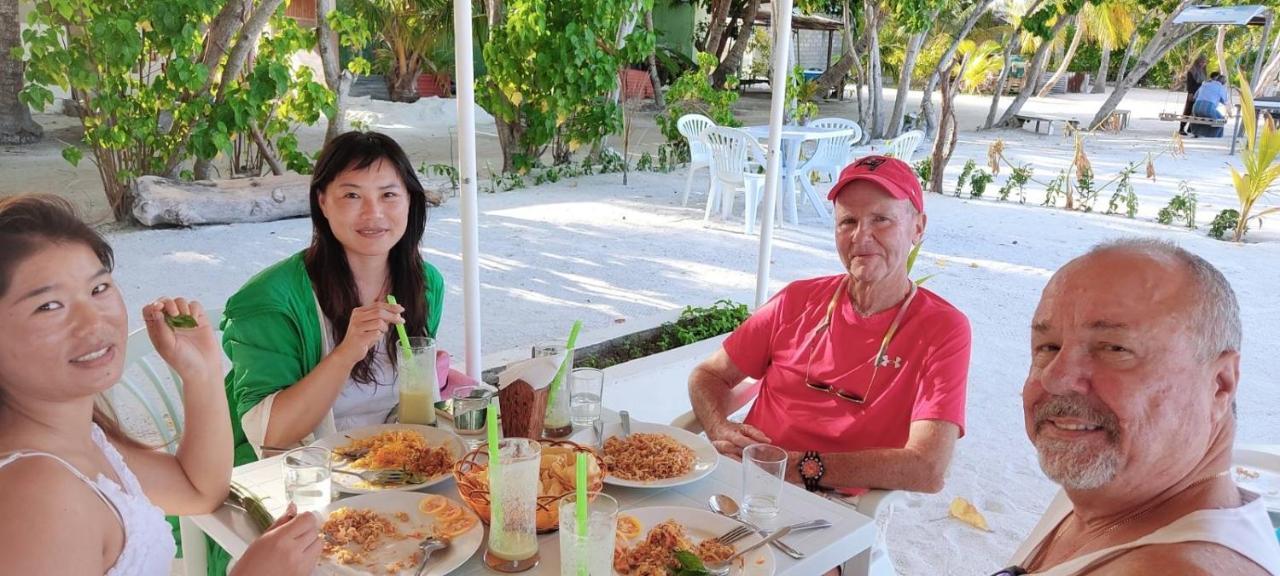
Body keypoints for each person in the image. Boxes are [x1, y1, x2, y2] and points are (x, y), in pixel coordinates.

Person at [0, 195, 321, 575]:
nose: (93, 322)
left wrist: (200, 372)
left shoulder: (77, 438)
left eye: (98, 288)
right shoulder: (38, 494)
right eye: (49, 306)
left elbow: (198, 489)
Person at [688, 155, 971, 496]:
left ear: (918, 227)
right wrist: (720, 428)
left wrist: (796, 467)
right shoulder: (796, 300)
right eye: (847, 221)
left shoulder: (942, 328)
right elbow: (709, 374)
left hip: (834, 503)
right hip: (744, 479)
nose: (860, 236)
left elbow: (927, 468)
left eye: (881, 219)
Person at [998, 239, 1280, 575]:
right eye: (1048, 346)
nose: (1055, 378)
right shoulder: (1119, 486)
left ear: (1220, 383)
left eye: (1114, 349)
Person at [222, 130, 445, 465]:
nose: (373, 213)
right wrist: (346, 353)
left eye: (388, 195)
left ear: (410, 200)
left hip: (390, 469)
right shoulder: (269, 300)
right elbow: (269, 437)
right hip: (292, 479)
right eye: (352, 195)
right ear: (322, 202)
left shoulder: (425, 284)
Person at [1189, 72, 1230, 138]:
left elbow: (1195, 97)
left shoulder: (1205, 84)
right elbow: (1225, 102)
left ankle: (1196, 133)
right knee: (1221, 119)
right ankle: (1215, 136)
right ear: (1223, 83)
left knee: (1198, 117)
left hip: (1196, 108)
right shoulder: (1221, 88)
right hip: (1208, 109)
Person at [1179, 55, 1208, 136]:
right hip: (1193, 92)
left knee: (1196, 111)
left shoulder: (1203, 71)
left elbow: (1204, 82)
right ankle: (1181, 128)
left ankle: (1192, 129)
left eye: (1204, 62)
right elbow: (1190, 84)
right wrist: (1191, 94)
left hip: (1201, 94)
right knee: (1188, 111)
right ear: (1197, 62)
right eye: (1201, 62)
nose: (1203, 64)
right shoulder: (1191, 71)